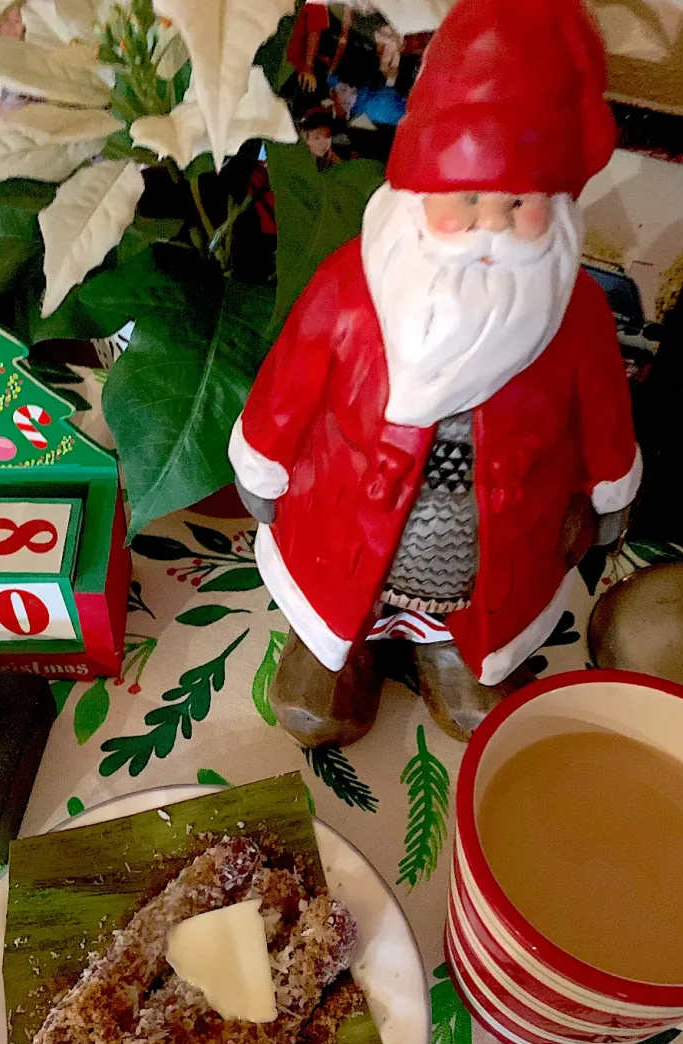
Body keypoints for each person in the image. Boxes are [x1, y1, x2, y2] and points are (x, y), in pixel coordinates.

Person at [229, 0, 640, 746]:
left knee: (482, 604)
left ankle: (453, 650)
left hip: (496, 541)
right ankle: (335, 649)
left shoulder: (569, 308)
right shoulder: (353, 287)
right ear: (424, 190)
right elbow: (288, 382)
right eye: (469, 198)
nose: (491, 225)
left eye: (517, 203)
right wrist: (262, 463)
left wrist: (610, 483)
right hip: (342, 524)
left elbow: (603, 404)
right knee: (335, 595)